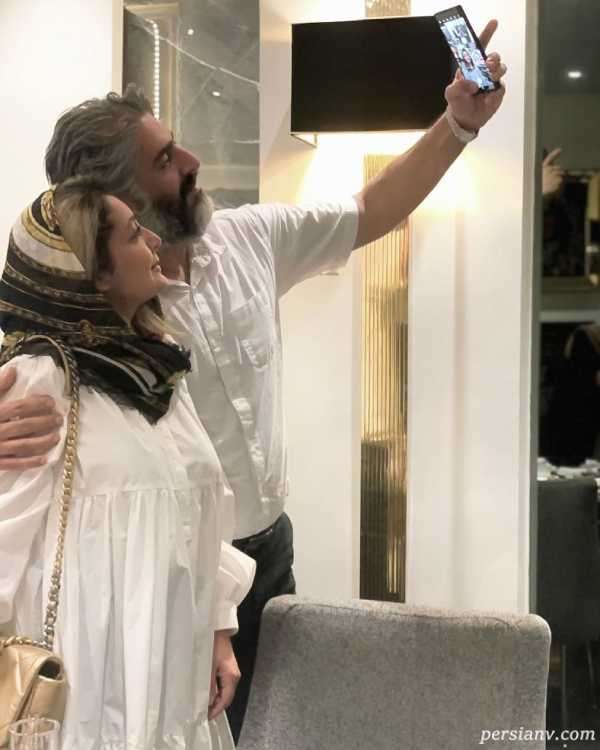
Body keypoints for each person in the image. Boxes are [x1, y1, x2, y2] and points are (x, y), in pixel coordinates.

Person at [0, 19, 507, 740]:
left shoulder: (246, 239)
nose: (193, 161)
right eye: (165, 158)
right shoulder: (84, 324)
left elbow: (371, 210)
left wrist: (457, 125)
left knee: (276, 733)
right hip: (159, 579)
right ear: (113, 197)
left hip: (266, 556)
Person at [0, 180, 255, 750]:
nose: (155, 242)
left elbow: (197, 515)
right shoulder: (41, 381)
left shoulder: (157, 374)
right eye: (136, 235)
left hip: (177, 684)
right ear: (97, 273)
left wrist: (218, 629)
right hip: (91, 693)